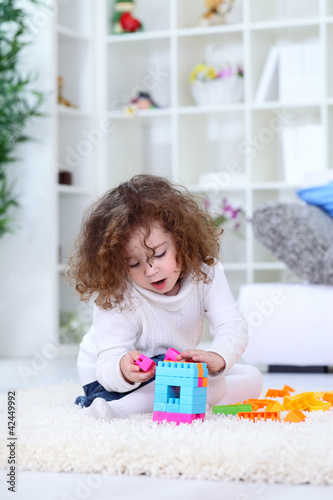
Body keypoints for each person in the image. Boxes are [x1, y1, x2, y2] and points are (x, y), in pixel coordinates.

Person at [68, 174, 262, 420]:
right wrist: (123, 369)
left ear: (181, 239)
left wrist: (218, 358)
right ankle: (115, 410)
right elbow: (106, 363)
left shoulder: (207, 273)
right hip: (108, 381)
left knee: (251, 377)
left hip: (171, 371)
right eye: (134, 263)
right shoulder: (119, 295)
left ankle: (194, 397)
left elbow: (232, 326)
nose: (150, 271)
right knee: (211, 388)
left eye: (159, 254)